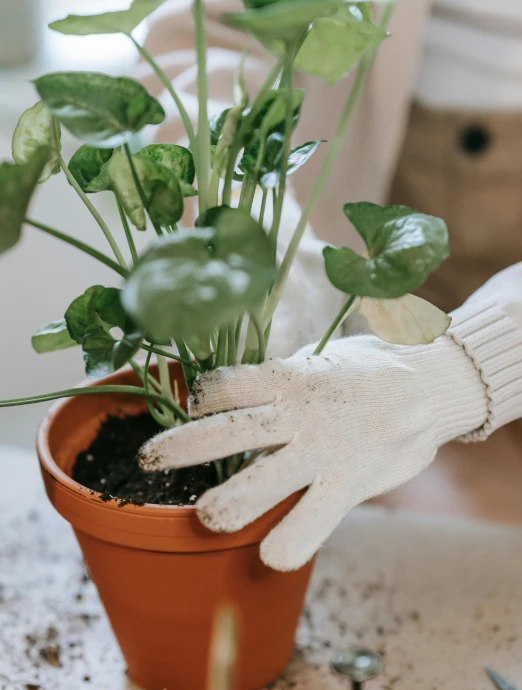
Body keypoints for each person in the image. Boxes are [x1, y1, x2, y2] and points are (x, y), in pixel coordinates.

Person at [137, 0, 522, 571]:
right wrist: (244, 206)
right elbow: (213, 27)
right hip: (391, 178)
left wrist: (471, 366)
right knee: (397, 559)